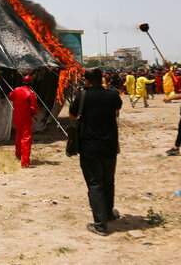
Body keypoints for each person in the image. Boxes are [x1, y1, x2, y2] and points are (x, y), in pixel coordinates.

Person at [69, 68, 122, 236]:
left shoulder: (82, 95)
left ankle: (100, 224)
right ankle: (108, 213)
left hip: (89, 145)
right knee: (108, 180)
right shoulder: (113, 95)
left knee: (94, 184)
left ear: (88, 81)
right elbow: (117, 107)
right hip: (110, 145)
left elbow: (72, 115)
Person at [8, 75, 39, 168]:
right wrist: (34, 114)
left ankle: (18, 155)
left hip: (17, 117)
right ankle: (25, 163)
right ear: (31, 83)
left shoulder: (16, 89)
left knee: (18, 135)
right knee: (26, 139)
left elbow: (10, 97)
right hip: (25, 118)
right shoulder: (30, 93)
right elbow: (34, 107)